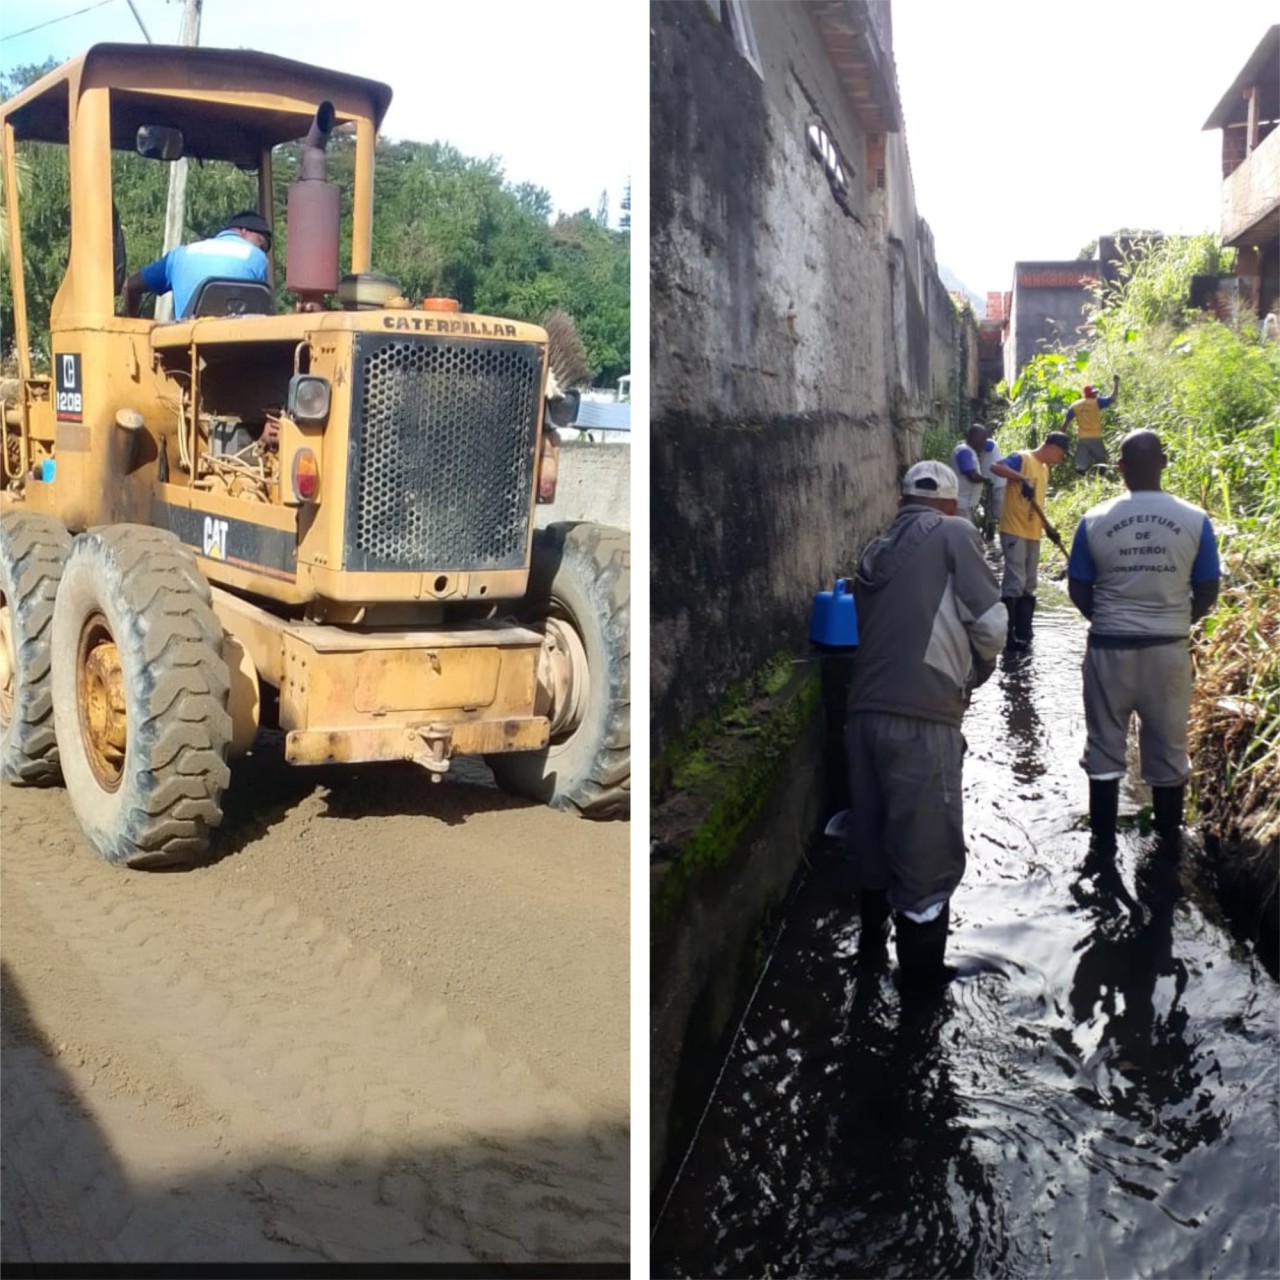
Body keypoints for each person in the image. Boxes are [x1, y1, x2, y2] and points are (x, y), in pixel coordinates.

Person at [845, 459, 1007, 992]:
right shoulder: (955, 532)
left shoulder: (874, 549)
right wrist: (975, 673)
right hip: (922, 722)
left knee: (873, 845)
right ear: (950, 505)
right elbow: (992, 626)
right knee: (925, 860)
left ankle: (870, 962)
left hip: (861, 720)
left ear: (901, 504)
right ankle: (920, 1000)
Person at [1066, 429, 1220, 855]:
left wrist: (1108, 618)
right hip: (1167, 652)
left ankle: (1101, 849)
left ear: (1120, 468)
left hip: (1108, 651)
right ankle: (1168, 850)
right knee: (1168, 751)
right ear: (1164, 464)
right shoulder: (1195, 520)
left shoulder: (1094, 519)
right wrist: (1177, 620)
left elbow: (1078, 587)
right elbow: (1208, 588)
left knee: (1103, 749)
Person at [989, 431, 1070, 650]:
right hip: (1014, 530)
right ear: (1052, 447)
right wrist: (1021, 478)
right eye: (1061, 454)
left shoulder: (1044, 470)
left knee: (1030, 583)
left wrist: (1048, 529)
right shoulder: (1022, 458)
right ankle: (1009, 636)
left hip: (1033, 532)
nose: (1060, 459)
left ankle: (1025, 632)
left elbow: (1038, 505)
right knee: (1015, 581)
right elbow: (995, 467)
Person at [121, 210, 272, 319]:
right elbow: (260, 310)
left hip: (185, 346)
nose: (262, 251)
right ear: (244, 231)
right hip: (237, 345)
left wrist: (134, 323)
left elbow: (130, 286)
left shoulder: (179, 255)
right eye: (261, 243)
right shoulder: (256, 256)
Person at [1063, 376, 1120, 475]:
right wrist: (1116, 383)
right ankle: (1101, 479)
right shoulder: (1096, 402)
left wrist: (1062, 438)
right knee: (1101, 462)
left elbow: (1065, 423)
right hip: (1095, 437)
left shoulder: (1075, 405)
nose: (1096, 394)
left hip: (1082, 438)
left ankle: (1081, 482)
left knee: (1081, 466)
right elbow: (1113, 398)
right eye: (1095, 393)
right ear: (1091, 394)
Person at [950, 424, 989, 528]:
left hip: (965, 504)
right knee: (963, 532)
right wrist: (986, 480)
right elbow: (972, 476)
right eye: (983, 439)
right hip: (961, 504)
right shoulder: (964, 451)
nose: (984, 443)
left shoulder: (968, 451)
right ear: (975, 437)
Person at [978, 429, 1006, 540]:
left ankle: (1004, 532)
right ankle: (990, 531)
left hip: (999, 482)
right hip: (989, 482)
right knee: (989, 507)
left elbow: (987, 447)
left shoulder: (990, 443)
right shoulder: (981, 450)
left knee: (999, 509)